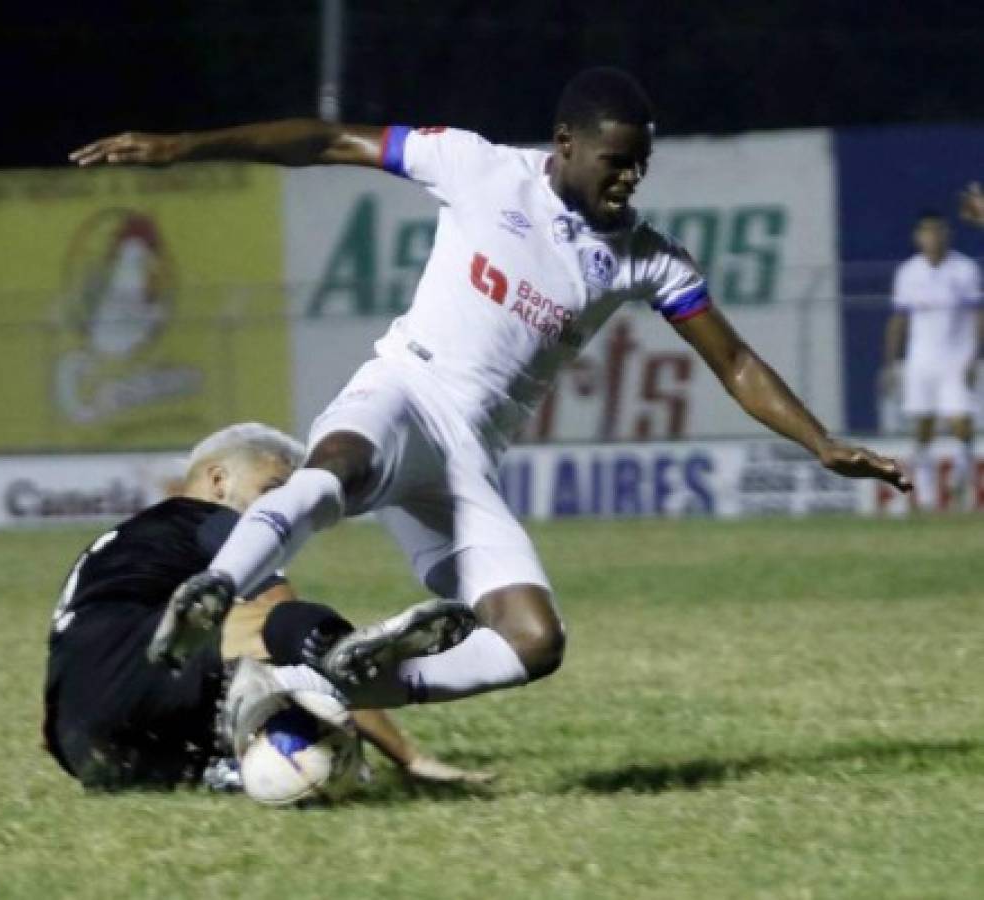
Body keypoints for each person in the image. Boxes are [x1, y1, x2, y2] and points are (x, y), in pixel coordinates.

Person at [71, 66, 910, 713]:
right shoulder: (474, 166)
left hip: (467, 460)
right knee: (337, 466)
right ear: (566, 143)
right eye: (616, 164)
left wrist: (820, 441)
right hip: (405, 389)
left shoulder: (647, 256)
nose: (630, 181)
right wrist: (186, 145)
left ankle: (356, 688)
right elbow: (328, 141)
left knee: (533, 642)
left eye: (641, 165)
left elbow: (734, 363)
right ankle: (217, 590)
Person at [43, 422, 488, 789]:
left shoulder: (123, 543)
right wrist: (409, 757)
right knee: (288, 624)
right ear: (218, 481)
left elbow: (77, 662)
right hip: (135, 673)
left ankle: (235, 766)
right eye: (273, 492)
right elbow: (274, 616)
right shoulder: (210, 519)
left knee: (244, 685)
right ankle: (350, 663)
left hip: (79, 741)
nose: (283, 515)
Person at [881, 211, 983, 506]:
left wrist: (975, 356)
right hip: (921, 360)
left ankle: (959, 482)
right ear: (918, 237)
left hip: (957, 359)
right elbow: (898, 320)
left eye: (938, 232)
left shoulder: (964, 269)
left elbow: (978, 314)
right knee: (923, 428)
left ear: (947, 235)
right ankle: (925, 496)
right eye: (927, 232)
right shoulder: (908, 273)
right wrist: (890, 363)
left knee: (961, 423)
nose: (933, 238)